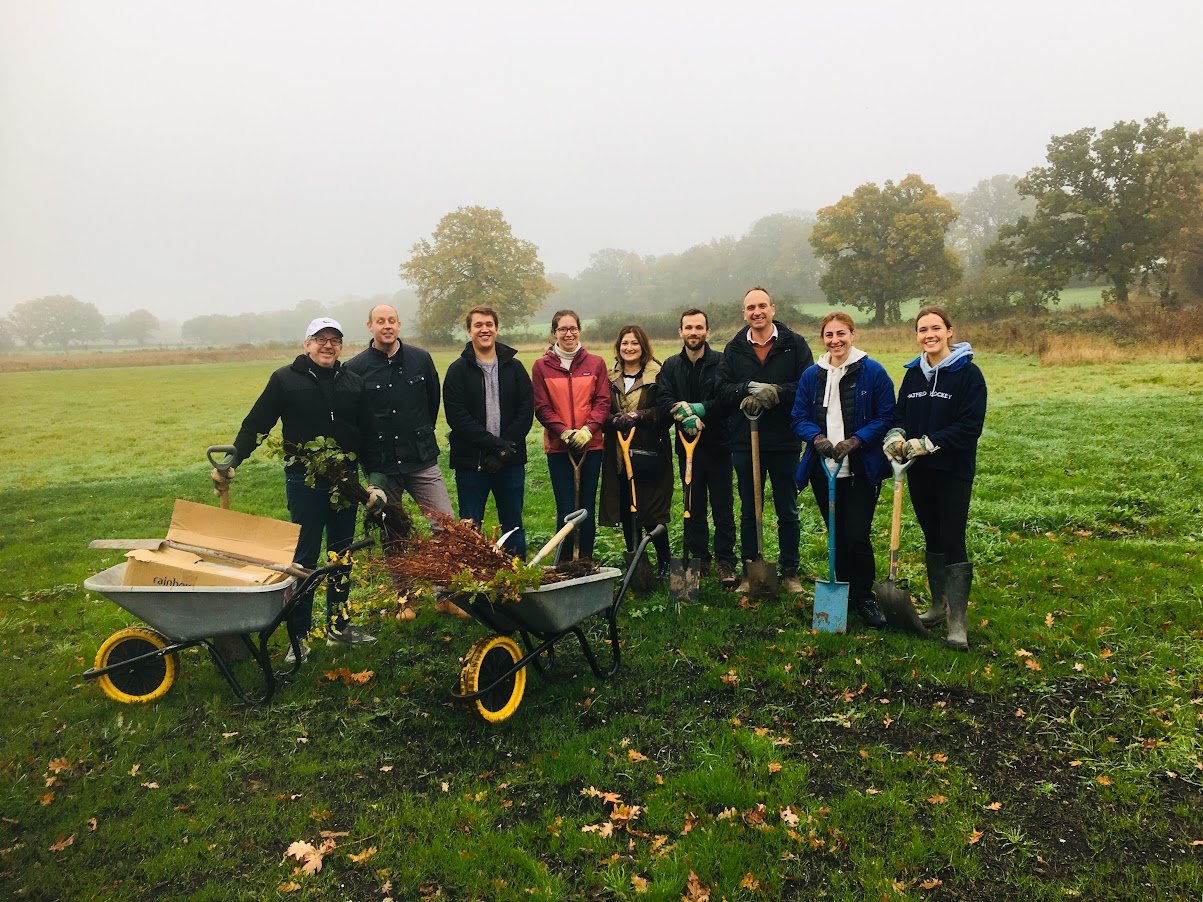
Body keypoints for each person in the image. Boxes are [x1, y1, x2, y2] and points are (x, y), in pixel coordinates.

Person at [216, 317, 378, 659]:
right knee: (304, 557)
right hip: (305, 481)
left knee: (341, 554)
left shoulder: (352, 381)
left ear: (341, 347)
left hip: (346, 483)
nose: (327, 345)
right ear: (307, 344)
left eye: (334, 340)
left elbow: (368, 436)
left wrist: (374, 481)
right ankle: (299, 634)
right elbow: (256, 424)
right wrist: (232, 462)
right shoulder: (285, 380)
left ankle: (338, 625)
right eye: (320, 339)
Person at [344, 303, 459, 616]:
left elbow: (431, 401)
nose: (386, 326)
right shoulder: (355, 368)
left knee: (444, 525)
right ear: (369, 326)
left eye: (391, 320)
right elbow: (356, 420)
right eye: (380, 321)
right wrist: (372, 473)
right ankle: (404, 599)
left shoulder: (420, 360)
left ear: (399, 324)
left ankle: (445, 594)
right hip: (382, 467)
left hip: (421, 459)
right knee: (393, 532)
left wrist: (420, 433)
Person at [883, 305, 987, 651]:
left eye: (935, 328)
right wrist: (896, 436)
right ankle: (937, 606)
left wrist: (928, 443)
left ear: (949, 332)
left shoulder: (968, 375)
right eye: (922, 330)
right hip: (919, 472)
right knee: (931, 536)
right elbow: (900, 413)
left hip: (952, 470)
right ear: (917, 336)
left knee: (952, 537)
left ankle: (958, 621)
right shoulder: (913, 375)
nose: (929, 335)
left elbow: (969, 427)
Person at [791, 312, 895, 627]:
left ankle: (863, 596)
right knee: (836, 534)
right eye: (829, 335)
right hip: (825, 469)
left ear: (852, 334)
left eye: (841, 334)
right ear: (823, 339)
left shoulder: (873, 372)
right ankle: (844, 591)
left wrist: (857, 440)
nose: (835, 340)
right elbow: (798, 416)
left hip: (860, 469)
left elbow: (886, 415)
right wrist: (817, 438)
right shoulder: (812, 375)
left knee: (856, 535)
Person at [717, 287, 814, 594]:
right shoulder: (734, 349)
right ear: (744, 314)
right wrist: (745, 390)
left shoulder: (794, 344)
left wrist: (777, 392)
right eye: (750, 308)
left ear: (773, 308)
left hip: (784, 440)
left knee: (787, 508)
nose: (756, 312)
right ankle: (751, 569)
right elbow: (721, 389)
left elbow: (807, 385)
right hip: (745, 441)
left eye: (762, 306)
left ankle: (789, 571)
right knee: (750, 508)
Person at [656, 308, 739, 588]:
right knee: (693, 505)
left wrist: (702, 411)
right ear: (680, 332)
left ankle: (726, 560)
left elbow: (727, 399)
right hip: (687, 448)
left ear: (708, 332)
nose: (694, 332)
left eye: (699, 327)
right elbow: (664, 396)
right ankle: (699, 559)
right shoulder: (670, 365)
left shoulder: (722, 362)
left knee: (723, 506)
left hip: (718, 446)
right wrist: (682, 414)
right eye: (688, 327)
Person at [443, 306, 534, 559]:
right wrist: (495, 446)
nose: (484, 329)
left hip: (511, 461)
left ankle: (517, 582)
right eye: (478, 325)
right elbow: (458, 418)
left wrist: (505, 450)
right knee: (471, 529)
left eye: (489, 324)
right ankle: (474, 585)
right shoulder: (457, 371)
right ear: (469, 330)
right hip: (472, 464)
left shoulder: (515, 368)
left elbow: (526, 411)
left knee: (513, 525)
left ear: (497, 328)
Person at [531, 310, 611, 561]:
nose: (568, 333)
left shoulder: (595, 363)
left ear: (579, 330)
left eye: (573, 328)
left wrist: (588, 430)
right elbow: (541, 407)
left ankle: (585, 559)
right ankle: (564, 561)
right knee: (566, 507)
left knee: (586, 507)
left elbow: (602, 401)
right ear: (554, 332)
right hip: (559, 447)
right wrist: (564, 433)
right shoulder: (541, 366)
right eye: (563, 329)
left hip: (591, 446)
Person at [599, 325, 674, 576]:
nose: (629, 348)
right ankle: (637, 562)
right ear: (618, 347)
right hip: (620, 456)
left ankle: (665, 560)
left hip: (651, 454)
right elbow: (600, 411)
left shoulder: (658, 374)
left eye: (634, 343)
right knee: (627, 509)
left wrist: (639, 415)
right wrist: (613, 420)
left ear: (643, 347)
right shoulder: (609, 378)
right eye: (624, 344)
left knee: (651, 512)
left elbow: (665, 412)